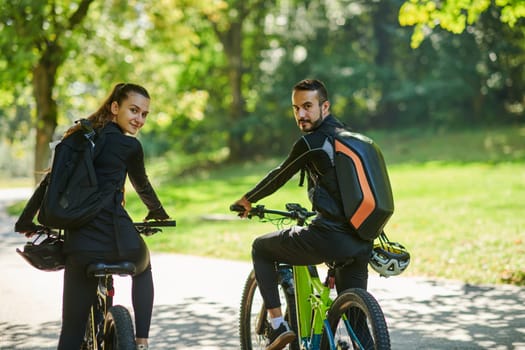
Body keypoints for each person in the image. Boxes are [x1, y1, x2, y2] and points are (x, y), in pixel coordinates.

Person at [15, 83, 171, 350]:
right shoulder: (129, 146)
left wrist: (25, 221)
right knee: (143, 270)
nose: (139, 119)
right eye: (134, 110)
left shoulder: (76, 138)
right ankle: (142, 341)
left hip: (83, 247)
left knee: (72, 331)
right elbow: (142, 185)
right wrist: (158, 214)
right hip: (122, 241)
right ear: (114, 108)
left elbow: (50, 183)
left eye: (144, 114)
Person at [233, 79, 373, 350]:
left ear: (325, 106)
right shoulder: (350, 137)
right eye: (296, 108)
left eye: (308, 106)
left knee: (261, 248)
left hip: (329, 237)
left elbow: (279, 175)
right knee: (359, 326)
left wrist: (247, 200)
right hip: (361, 240)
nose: (301, 114)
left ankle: (277, 326)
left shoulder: (312, 142)